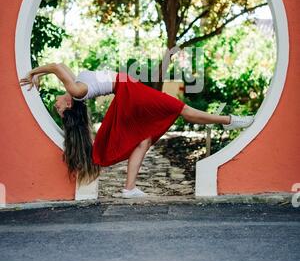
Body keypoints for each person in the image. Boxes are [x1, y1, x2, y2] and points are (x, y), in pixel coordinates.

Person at [19, 62, 254, 198]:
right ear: (69, 106)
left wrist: (37, 74)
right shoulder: (77, 91)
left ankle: (129, 188)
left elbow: (60, 67)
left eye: (56, 107)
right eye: (58, 109)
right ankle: (228, 119)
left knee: (145, 138)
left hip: (128, 90)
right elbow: (57, 67)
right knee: (179, 107)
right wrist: (35, 73)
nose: (56, 106)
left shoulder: (76, 88)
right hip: (128, 91)